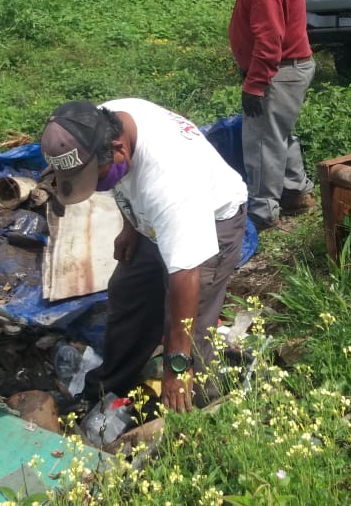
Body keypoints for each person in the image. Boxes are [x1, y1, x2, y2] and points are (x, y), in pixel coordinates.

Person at [40, 98, 248, 413]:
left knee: (193, 328)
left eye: (96, 178)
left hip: (210, 222)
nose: (95, 187)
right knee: (128, 291)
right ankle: (110, 388)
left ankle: (195, 413)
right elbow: (124, 186)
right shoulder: (95, 125)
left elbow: (186, 274)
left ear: (119, 149)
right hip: (149, 221)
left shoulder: (170, 181)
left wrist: (176, 366)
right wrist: (130, 227)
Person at [198, 0, 317, 230]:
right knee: (278, 133)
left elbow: (269, 40)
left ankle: (263, 212)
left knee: (262, 141)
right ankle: (295, 192)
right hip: (286, 68)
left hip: (279, 70)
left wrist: (255, 83)